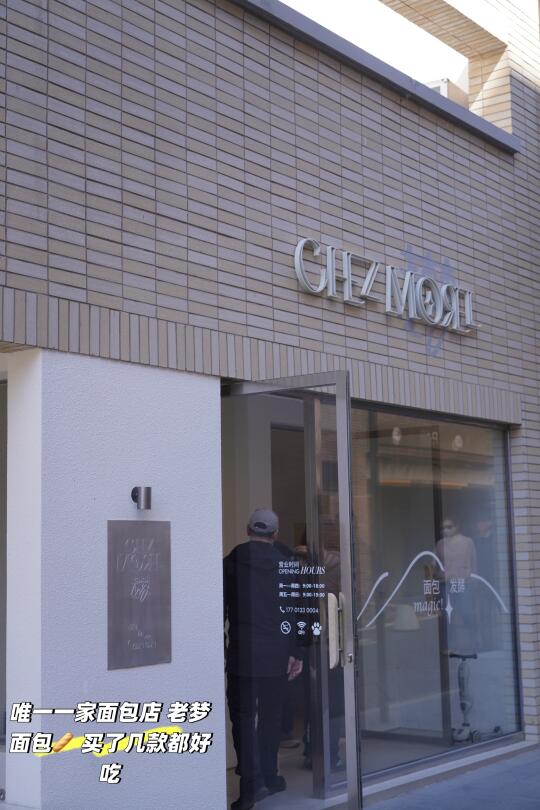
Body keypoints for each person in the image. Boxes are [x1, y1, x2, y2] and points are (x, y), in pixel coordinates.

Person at [224, 508, 303, 810]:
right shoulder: (286, 566)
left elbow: (221, 609)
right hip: (276, 654)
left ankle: (251, 786)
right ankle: (270, 776)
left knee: (243, 720)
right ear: (275, 534)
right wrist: (294, 652)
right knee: (270, 718)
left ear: (248, 530)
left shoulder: (231, 562)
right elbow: (293, 612)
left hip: (242, 654)